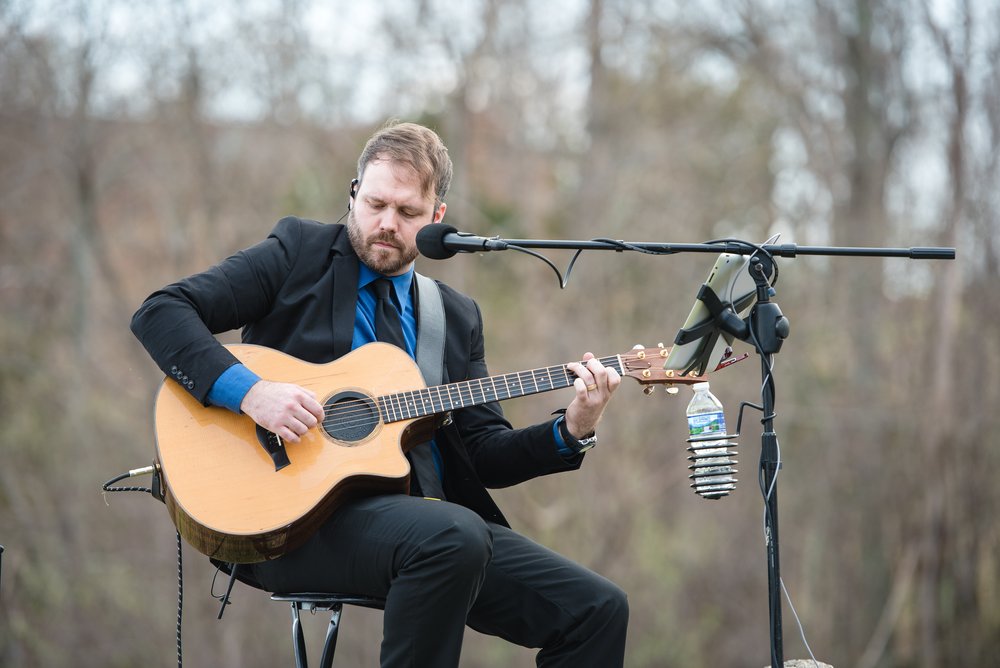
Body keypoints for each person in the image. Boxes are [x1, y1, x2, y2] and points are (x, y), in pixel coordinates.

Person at [131, 120, 628, 666]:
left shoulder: (453, 318)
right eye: (375, 204)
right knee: (453, 534)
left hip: (430, 530)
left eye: (408, 213)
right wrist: (252, 394)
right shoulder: (298, 254)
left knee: (598, 610)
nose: (386, 224)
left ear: (438, 218)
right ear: (353, 194)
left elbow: (482, 453)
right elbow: (161, 312)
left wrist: (572, 429)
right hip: (288, 521)